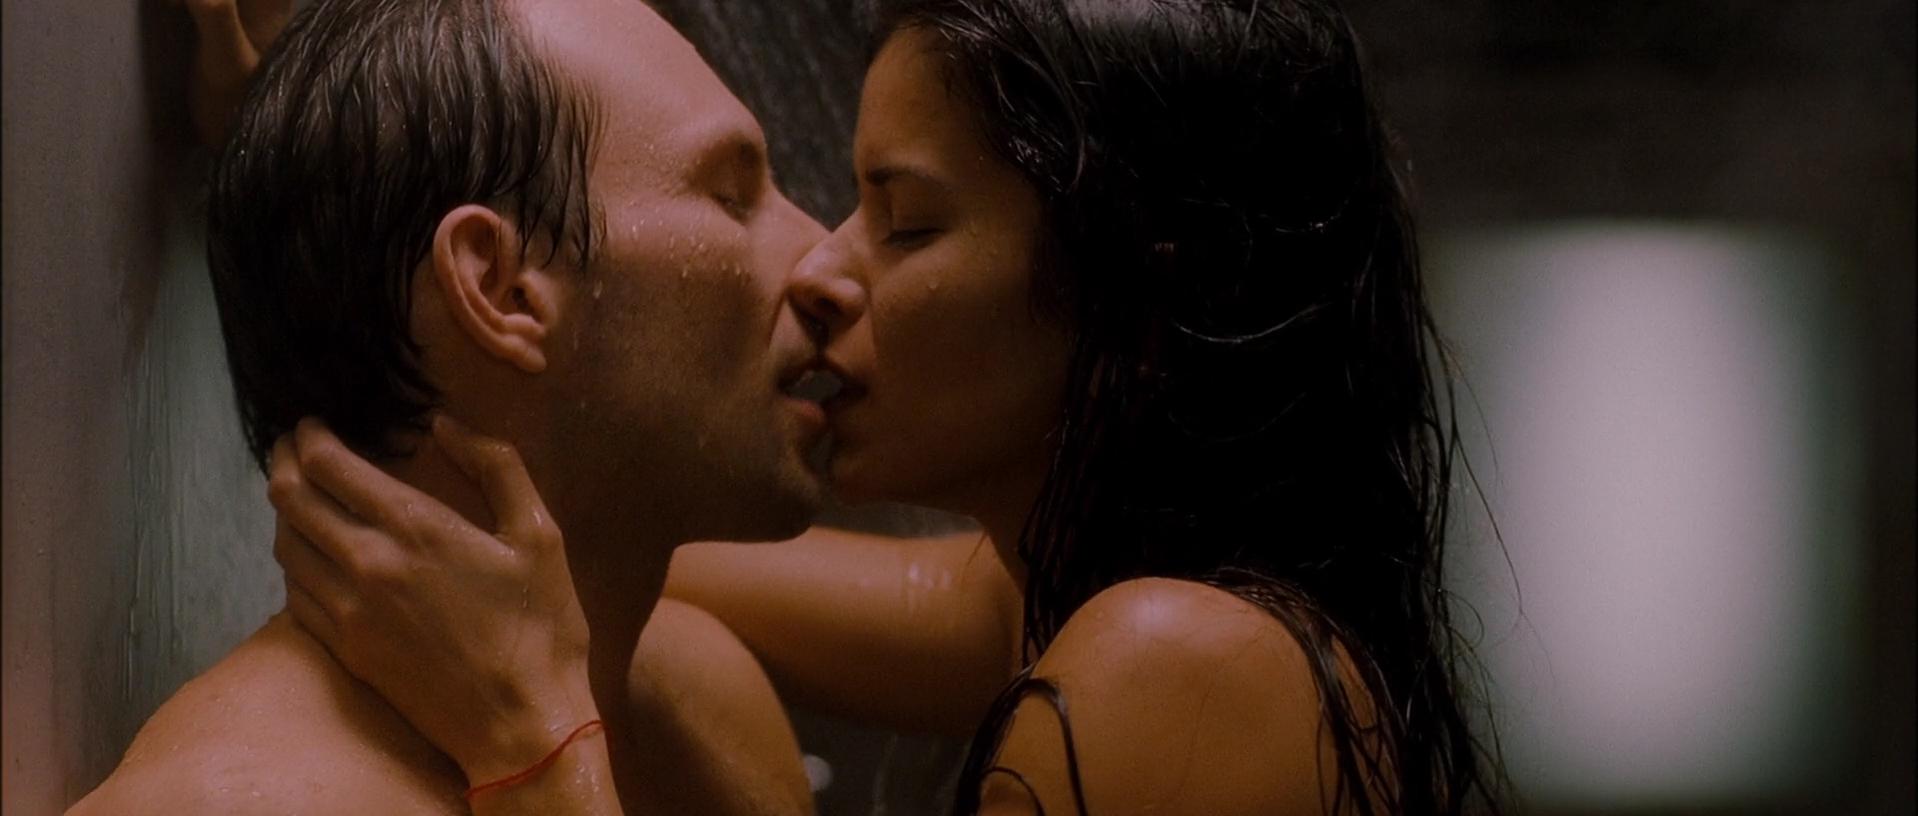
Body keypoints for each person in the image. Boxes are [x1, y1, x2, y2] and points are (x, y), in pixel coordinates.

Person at [275, 0, 1508, 813]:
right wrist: (361, 162)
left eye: (906, 224)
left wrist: (534, 744)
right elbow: (949, 608)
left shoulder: (1168, 668)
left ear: (1136, 298)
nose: (821, 267)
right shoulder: (1118, 602)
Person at [68, 0, 840, 812]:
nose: (825, 258)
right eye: (731, 196)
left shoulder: (703, 705)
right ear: (500, 288)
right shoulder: (236, 804)